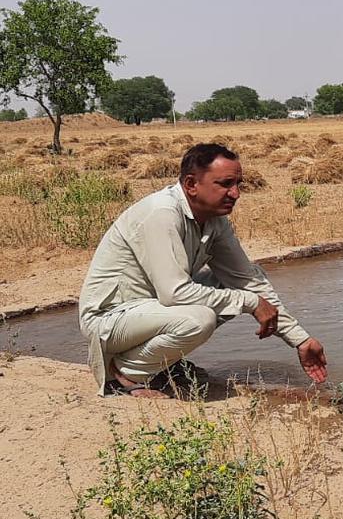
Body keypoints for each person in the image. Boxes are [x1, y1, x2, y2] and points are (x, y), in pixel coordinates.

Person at [78, 143, 327, 398]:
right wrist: (250, 302)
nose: (236, 193)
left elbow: (247, 281)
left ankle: (161, 363)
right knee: (199, 319)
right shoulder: (162, 214)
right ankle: (127, 374)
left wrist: (301, 340)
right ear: (191, 184)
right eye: (225, 184)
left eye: (238, 183)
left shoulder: (214, 220)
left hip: (149, 312)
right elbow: (174, 294)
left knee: (250, 276)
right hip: (109, 319)